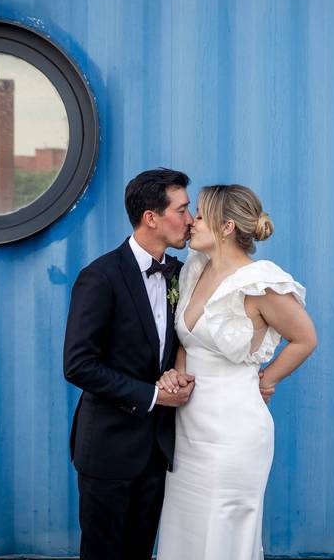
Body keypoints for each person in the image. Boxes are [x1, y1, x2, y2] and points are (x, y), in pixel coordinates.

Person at [155, 184, 318, 560]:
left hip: (234, 433)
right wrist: (178, 374)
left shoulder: (259, 283)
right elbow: (186, 341)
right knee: (186, 532)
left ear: (226, 226)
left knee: (224, 534)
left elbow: (305, 338)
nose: (190, 222)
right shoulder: (196, 270)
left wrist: (267, 379)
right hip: (187, 429)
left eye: (198, 214)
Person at [63, 168, 197, 560]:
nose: (190, 220)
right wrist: (153, 395)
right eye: (183, 209)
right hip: (108, 448)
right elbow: (78, 364)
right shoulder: (100, 277)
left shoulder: (179, 275)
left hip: (155, 451)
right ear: (151, 218)